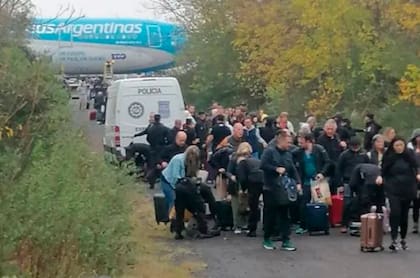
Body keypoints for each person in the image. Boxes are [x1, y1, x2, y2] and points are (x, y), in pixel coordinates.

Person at [260, 129, 301, 251]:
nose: (289, 145)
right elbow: (262, 165)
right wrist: (275, 169)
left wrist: (298, 182)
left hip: (283, 188)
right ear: (281, 140)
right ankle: (267, 238)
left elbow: (293, 169)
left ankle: (286, 240)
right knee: (270, 215)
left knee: (285, 215)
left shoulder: (288, 153)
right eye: (287, 142)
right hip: (270, 187)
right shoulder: (269, 151)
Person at [380, 137, 420, 251]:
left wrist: (417, 175)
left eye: (401, 145)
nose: (399, 148)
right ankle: (394, 239)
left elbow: (415, 167)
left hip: (407, 188)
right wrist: (380, 177)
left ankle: (403, 238)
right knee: (395, 212)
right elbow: (383, 170)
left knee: (404, 214)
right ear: (393, 146)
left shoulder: (409, 156)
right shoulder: (389, 157)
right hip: (393, 188)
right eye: (397, 145)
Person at [172, 146, 220, 240]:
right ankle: (204, 229)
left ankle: (178, 231)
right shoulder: (195, 162)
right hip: (191, 185)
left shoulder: (183, 160)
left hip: (180, 185)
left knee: (179, 210)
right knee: (200, 208)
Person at [293, 133, 331, 234]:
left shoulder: (319, 149)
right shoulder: (298, 152)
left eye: (302, 142)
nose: (299, 144)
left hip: (318, 181)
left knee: (322, 202)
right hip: (305, 180)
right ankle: (303, 225)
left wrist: (322, 173)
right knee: (303, 202)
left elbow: (328, 162)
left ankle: (323, 224)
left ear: (308, 141)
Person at [336, 137, 370, 233]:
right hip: (347, 181)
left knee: (362, 202)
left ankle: (360, 223)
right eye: (353, 146)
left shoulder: (364, 155)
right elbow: (339, 169)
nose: (355, 148)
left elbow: (369, 167)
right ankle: (344, 223)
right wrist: (340, 184)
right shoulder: (344, 155)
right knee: (347, 203)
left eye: (357, 146)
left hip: (361, 182)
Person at [236, 142, 264, 237]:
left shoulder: (241, 163)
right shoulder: (255, 160)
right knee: (267, 205)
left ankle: (252, 230)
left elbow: (242, 179)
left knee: (253, 207)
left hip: (253, 182)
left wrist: (244, 189)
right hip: (264, 179)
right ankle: (269, 227)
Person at [225, 143, 250, 235]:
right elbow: (228, 171)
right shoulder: (233, 159)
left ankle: (245, 224)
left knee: (246, 206)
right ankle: (237, 225)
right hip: (235, 185)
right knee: (236, 206)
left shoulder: (249, 160)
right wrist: (232, 177)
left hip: (246, 185)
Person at [409, 129, 420, 233]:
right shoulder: (411, 151)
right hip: (415, 179)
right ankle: (415, 223)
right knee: (416, 202)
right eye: (418, 136)